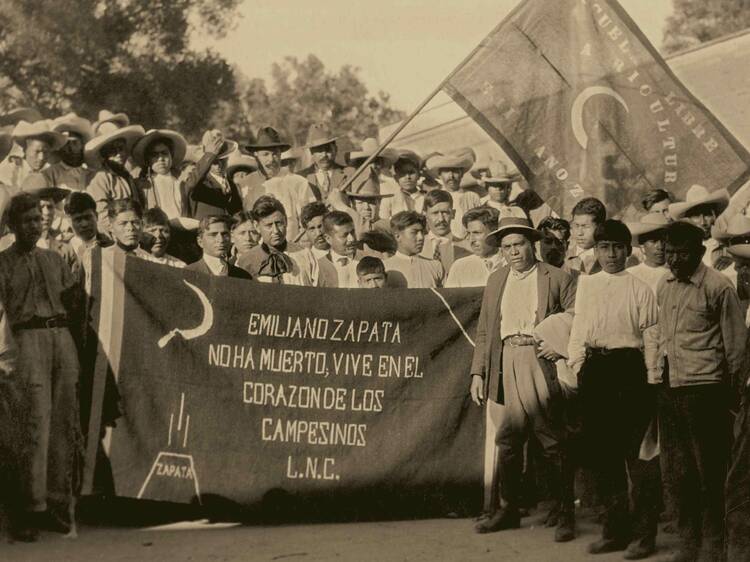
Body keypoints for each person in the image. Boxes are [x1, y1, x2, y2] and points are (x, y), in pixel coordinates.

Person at [470, 214, 577, 542]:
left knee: (551, 437)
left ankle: (565, 512)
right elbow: (486, 328)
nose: (514, 252)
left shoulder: (557, 277)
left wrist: (554, 344)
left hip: (538, 359)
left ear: (532, 245)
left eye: (519, 245)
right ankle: (508, 508)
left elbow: (576, 317)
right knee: (507, 438)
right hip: (504, 360)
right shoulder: (496, 280)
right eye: (506, 247)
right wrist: (478, 372)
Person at [648, 221, 745, 562]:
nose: (673, 259)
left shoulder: (719, 287)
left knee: (711, 472)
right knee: (678, 472)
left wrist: (730, 395)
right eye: (670, 252)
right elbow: (661, 335)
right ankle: (688, 542)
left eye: (682, 253)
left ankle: (713, 544)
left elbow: (735, 347)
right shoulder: (665, 284)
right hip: (669, 388)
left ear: (700, 252)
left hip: (705, 392)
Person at [568, 220, 659, 559]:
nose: (610, 254)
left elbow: (651, 338)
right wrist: (578, 365)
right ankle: (615, 530)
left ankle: (644, 535)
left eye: (617, 247)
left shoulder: (640, 289)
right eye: (604, 247)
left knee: (636, 456)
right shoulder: (587, 285)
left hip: (629, 373)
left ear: (628, 250)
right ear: (595, 250)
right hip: (596, 371)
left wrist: (651, 381)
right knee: (604, 455)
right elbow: (579, 328)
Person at [0, 192, 81, 541]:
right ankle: (28, 510)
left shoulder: (56, 258)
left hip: (60, 339)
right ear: (13, 225)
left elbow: (72, 301)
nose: (34, 224)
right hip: (26, 341)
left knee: (63, 425)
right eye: (27, 220)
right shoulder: (3, 263)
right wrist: (5, 356)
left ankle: (56, 505)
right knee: (32, 427)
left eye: (38, 218)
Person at [239, 126, 316, 242]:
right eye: (265, 154)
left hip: (290, 250)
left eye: (275, 154)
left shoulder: (297, 182)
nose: (271, 159)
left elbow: (309, 222)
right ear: (256, 155)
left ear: (281, 154)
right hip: (258, 252)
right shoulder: (245, 184)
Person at [84, 121, 146, 233]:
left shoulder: (127, 175)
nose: (119, 154)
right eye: (112, 150)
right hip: (115, 237)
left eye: (121, 148)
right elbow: (101, 215)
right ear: (104, 153)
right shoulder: (100, 178)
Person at [237, 195, 312, 285]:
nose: (276, 231)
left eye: (279, 223)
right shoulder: (245, 262)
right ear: (257, 227)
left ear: (286, 222)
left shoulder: (305, 255)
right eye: (269, 225)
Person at [668, 184, 729, 270]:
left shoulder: (731, 241)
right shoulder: (685, 252)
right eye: (696, 215)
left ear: (715, 214)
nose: (703, 222)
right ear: (688, 219)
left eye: (707, 214)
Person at [424, 148, 481, 239]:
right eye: (446, 171)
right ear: (439, 175)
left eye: (455, 171)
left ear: (461, 174)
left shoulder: (471, 197)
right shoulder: (432, 197)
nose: (451, 176)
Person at [189, 131, 242, 219]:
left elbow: (237, 210)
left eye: (222, 160)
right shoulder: (201, 183)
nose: (218, 166)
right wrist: (209, 155)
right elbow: (190, 184)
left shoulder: (231, 184)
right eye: (213, 162)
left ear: (227, 158)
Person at [383, 211, 443, 288]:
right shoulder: (385, 267)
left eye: (422, 232)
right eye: (414, 232)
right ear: (398, 236)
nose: (421, 237)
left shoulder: (435, 266)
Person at [445, 207, 503, 287]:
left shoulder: (510, 263)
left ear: (494, 234)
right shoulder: (459, 267)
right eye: (469, 233)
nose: (471, 240)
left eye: (477, 233)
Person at [38, 113, 95, 191]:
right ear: (60, 147)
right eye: (67, 144)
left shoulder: (91, 173)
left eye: (75, 143)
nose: (71, 148)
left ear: (82, 144)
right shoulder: (50, 174)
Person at [420, 190, 470, 276]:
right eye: (435, 213)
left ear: (453, 214)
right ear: (425, 214)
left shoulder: (467, 247)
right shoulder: (418, 247)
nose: (441, 219)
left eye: (445, 213)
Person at [297, 123, 354, 199]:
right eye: (319, 150)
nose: (324, 155)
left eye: (328, 149)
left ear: (335, 149)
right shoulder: (301, 178)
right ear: (312, 152)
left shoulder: (349, 174)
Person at [185, 215, 252, 279]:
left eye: (225, 234)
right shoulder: (187, 273)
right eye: (213, 235)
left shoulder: (242, 276)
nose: (221, 240)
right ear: (200, 241)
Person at [11, 120, 67, 190]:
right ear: (25, 149)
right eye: (37, 151)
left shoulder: (50, 174)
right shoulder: (14, 170)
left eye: (46, 152)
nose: (41, 157)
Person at [626, 214, 670, 294]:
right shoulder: (631, 274)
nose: (660, 246)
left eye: (664, 240)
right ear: (642, 245)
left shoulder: (675, 273)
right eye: (653, 241)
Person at [316, 211, 360, 288]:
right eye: (344, 235)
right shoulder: (318, 268)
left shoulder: (367, 259)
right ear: (328, 238)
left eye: (352, 233)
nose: (351, 239)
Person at [564, 197, 606, 275]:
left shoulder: (610, 257)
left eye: (585, 226)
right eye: (576, 225)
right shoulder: (563, 257)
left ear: (600, 227)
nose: (579, 233)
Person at [378, 149, 423, 219]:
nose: (408, 177)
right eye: (402, 173)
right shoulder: (389, 198)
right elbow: (384, 223)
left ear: (419, 175)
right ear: (396, 177)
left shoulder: (425, 198)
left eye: (411, 172)